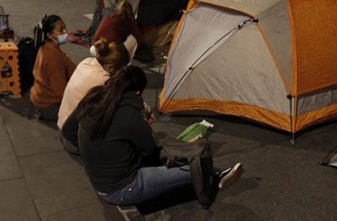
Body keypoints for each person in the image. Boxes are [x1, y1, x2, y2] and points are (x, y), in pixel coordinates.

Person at [61, 65, 242, 207]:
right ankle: (215, 177)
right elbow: (148, 150)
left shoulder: (93, 98)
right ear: (137, 91)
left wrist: (95, 154)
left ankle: (211, 173)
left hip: (99, 181)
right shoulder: (129, 114)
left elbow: (68, 131)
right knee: (194, 169)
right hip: (123, 188)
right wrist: (143, 125)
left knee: (175, 158)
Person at [57, 38, 130, 131]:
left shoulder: (87, 61)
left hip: (63, 120)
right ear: (110, 67)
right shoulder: (103, 80)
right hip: (73, 131)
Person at [29, 15, 76, 121]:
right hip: (49, 106)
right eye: (61, 30)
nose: (66, 32)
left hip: (40, 98)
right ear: (49, 35)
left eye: (65, 27)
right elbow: (61, 92)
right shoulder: (53, 58)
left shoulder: (46, 47)